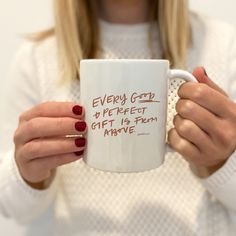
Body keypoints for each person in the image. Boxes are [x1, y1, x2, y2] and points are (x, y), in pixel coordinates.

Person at [0, 0, 236, 235]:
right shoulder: (36, 58)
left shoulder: (225, 45)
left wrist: (222, 161)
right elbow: (12, 208)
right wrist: (27, 172)